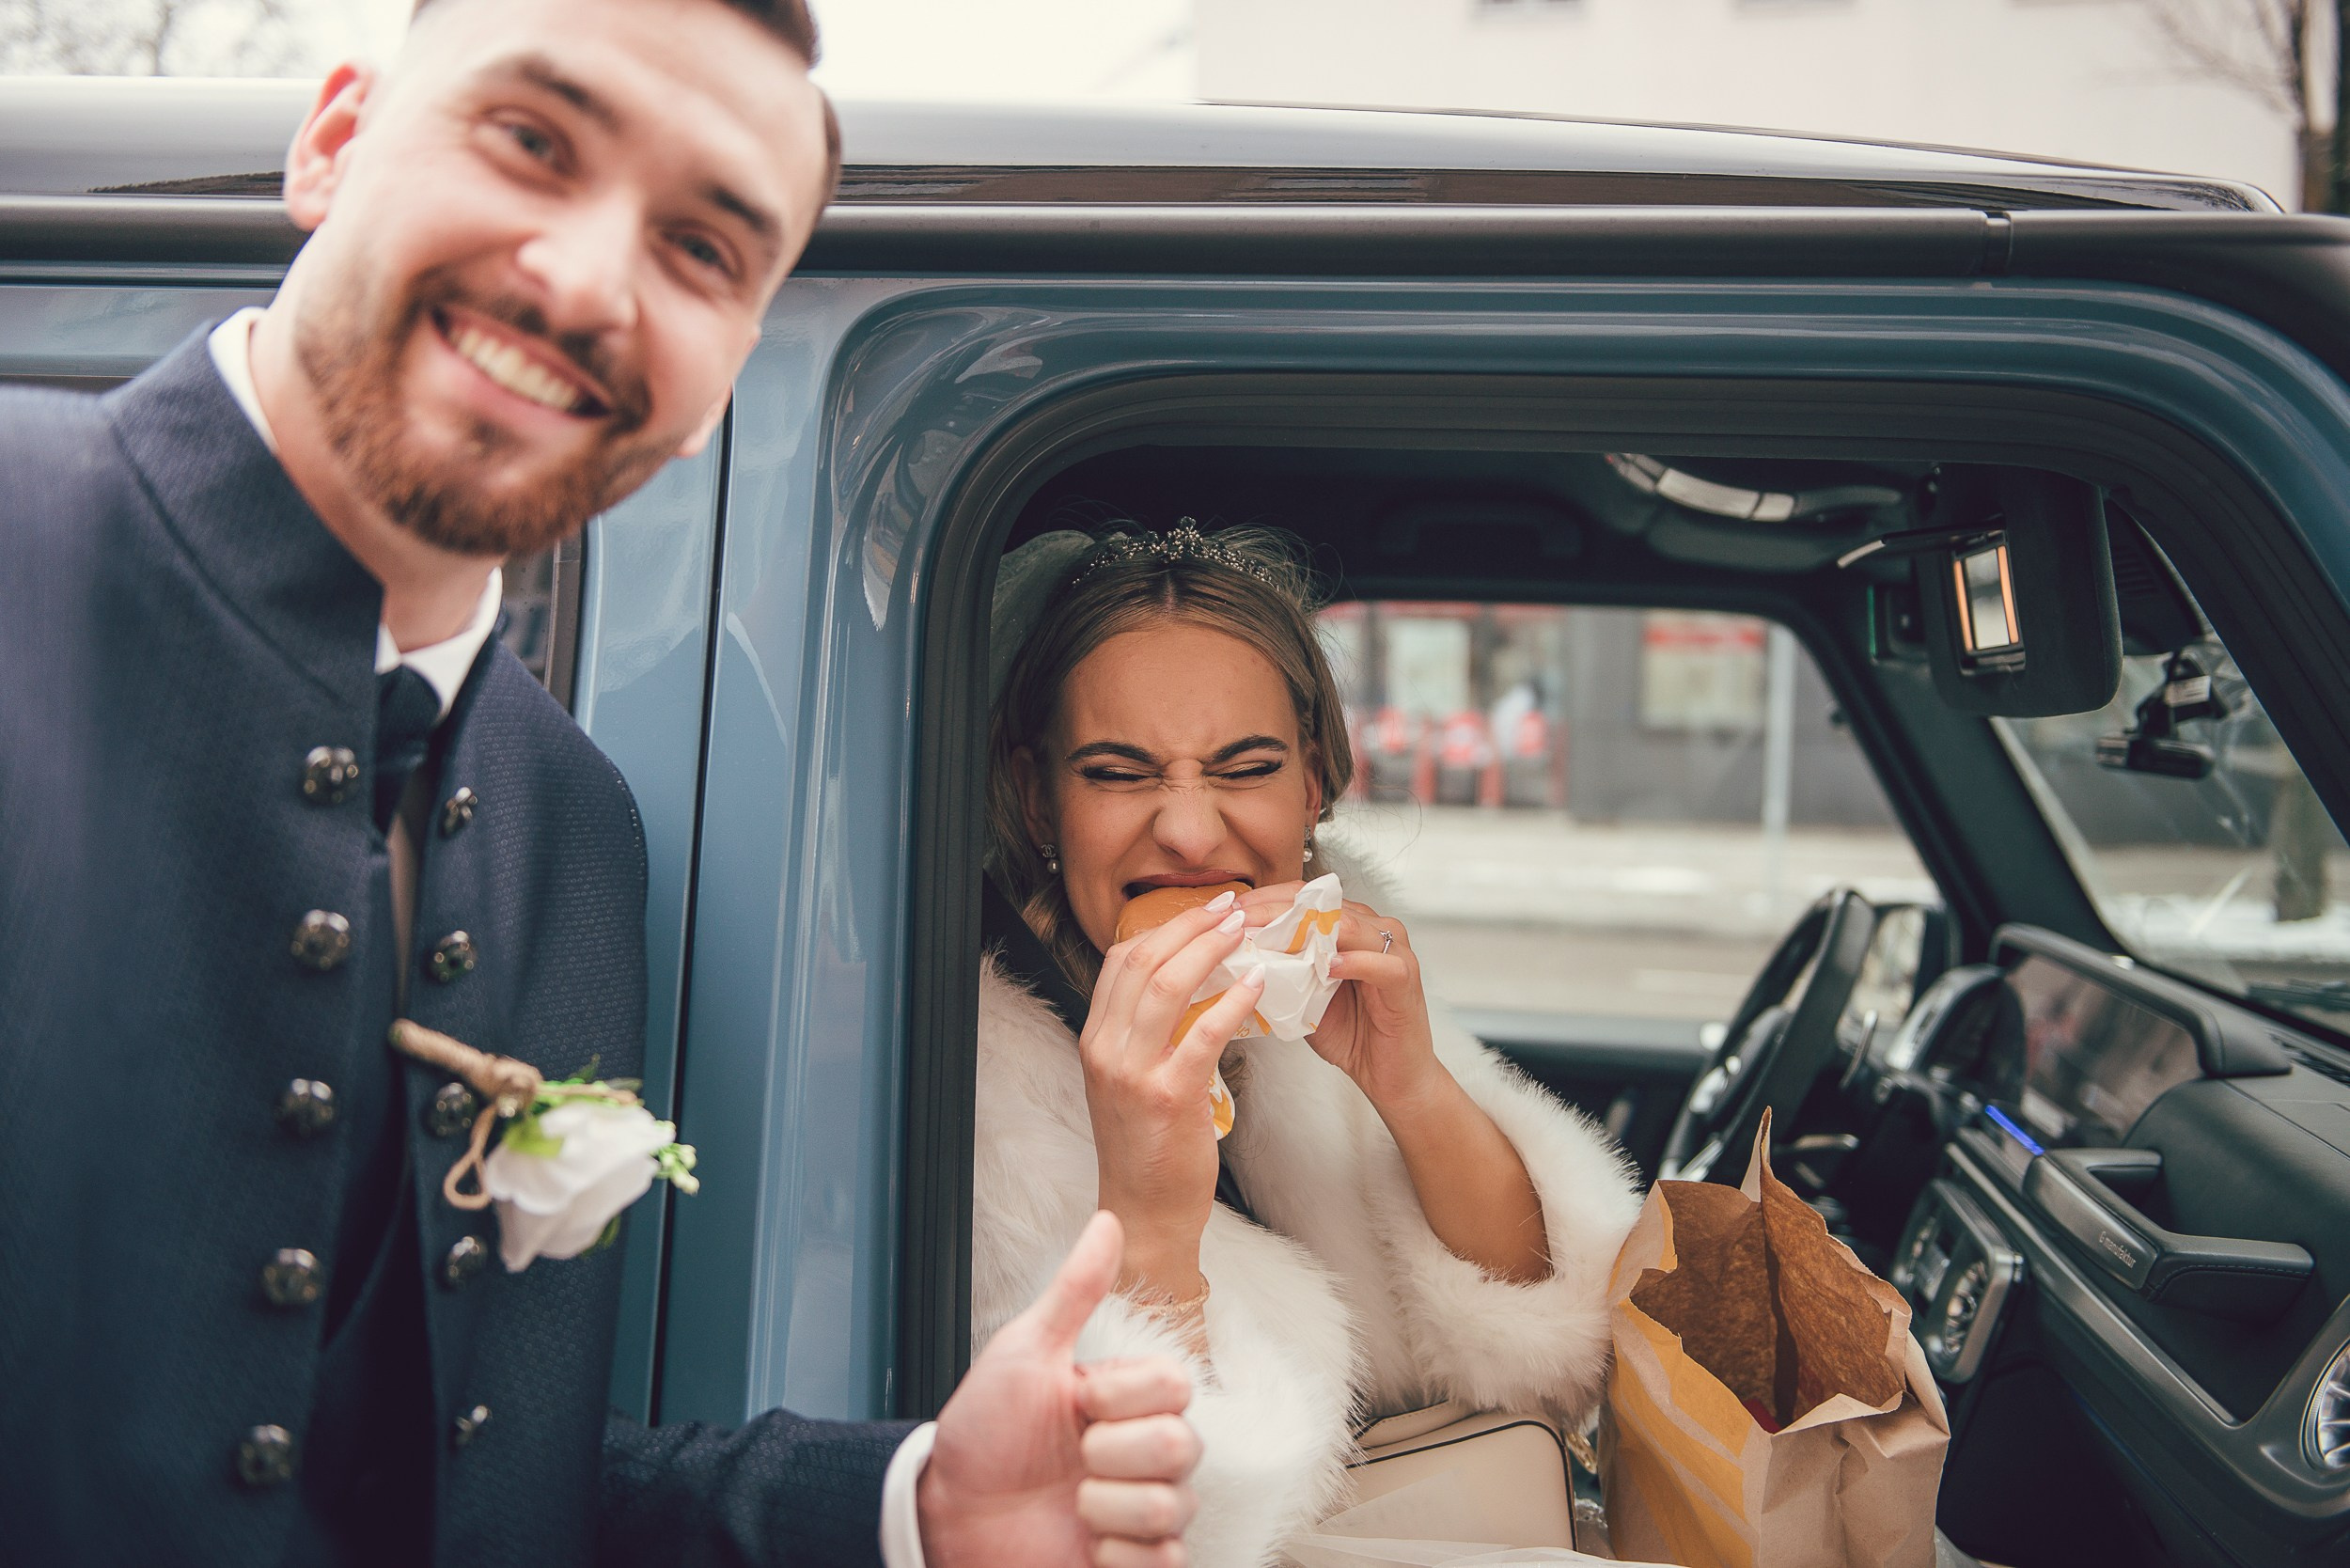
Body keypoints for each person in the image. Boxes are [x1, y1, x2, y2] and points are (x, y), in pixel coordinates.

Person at [0, 3, 1201, 1565]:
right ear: (334, 140)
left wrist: (916, 1502)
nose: (581, 281)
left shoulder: (570, 820)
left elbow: (460, 1480)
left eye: (703, 248)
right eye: (529, 142)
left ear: (721, 380)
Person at [972, 525, 1646, 1566]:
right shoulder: (975, 1083)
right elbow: (1118, 1527)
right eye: (1117, 773)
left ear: (1316, 782)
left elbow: (1540, 1345)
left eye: (1244, 768)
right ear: (1036, 796)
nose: (1191, 833)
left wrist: (1411, 1089)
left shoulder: (1327, 968)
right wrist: (1147, 1206)